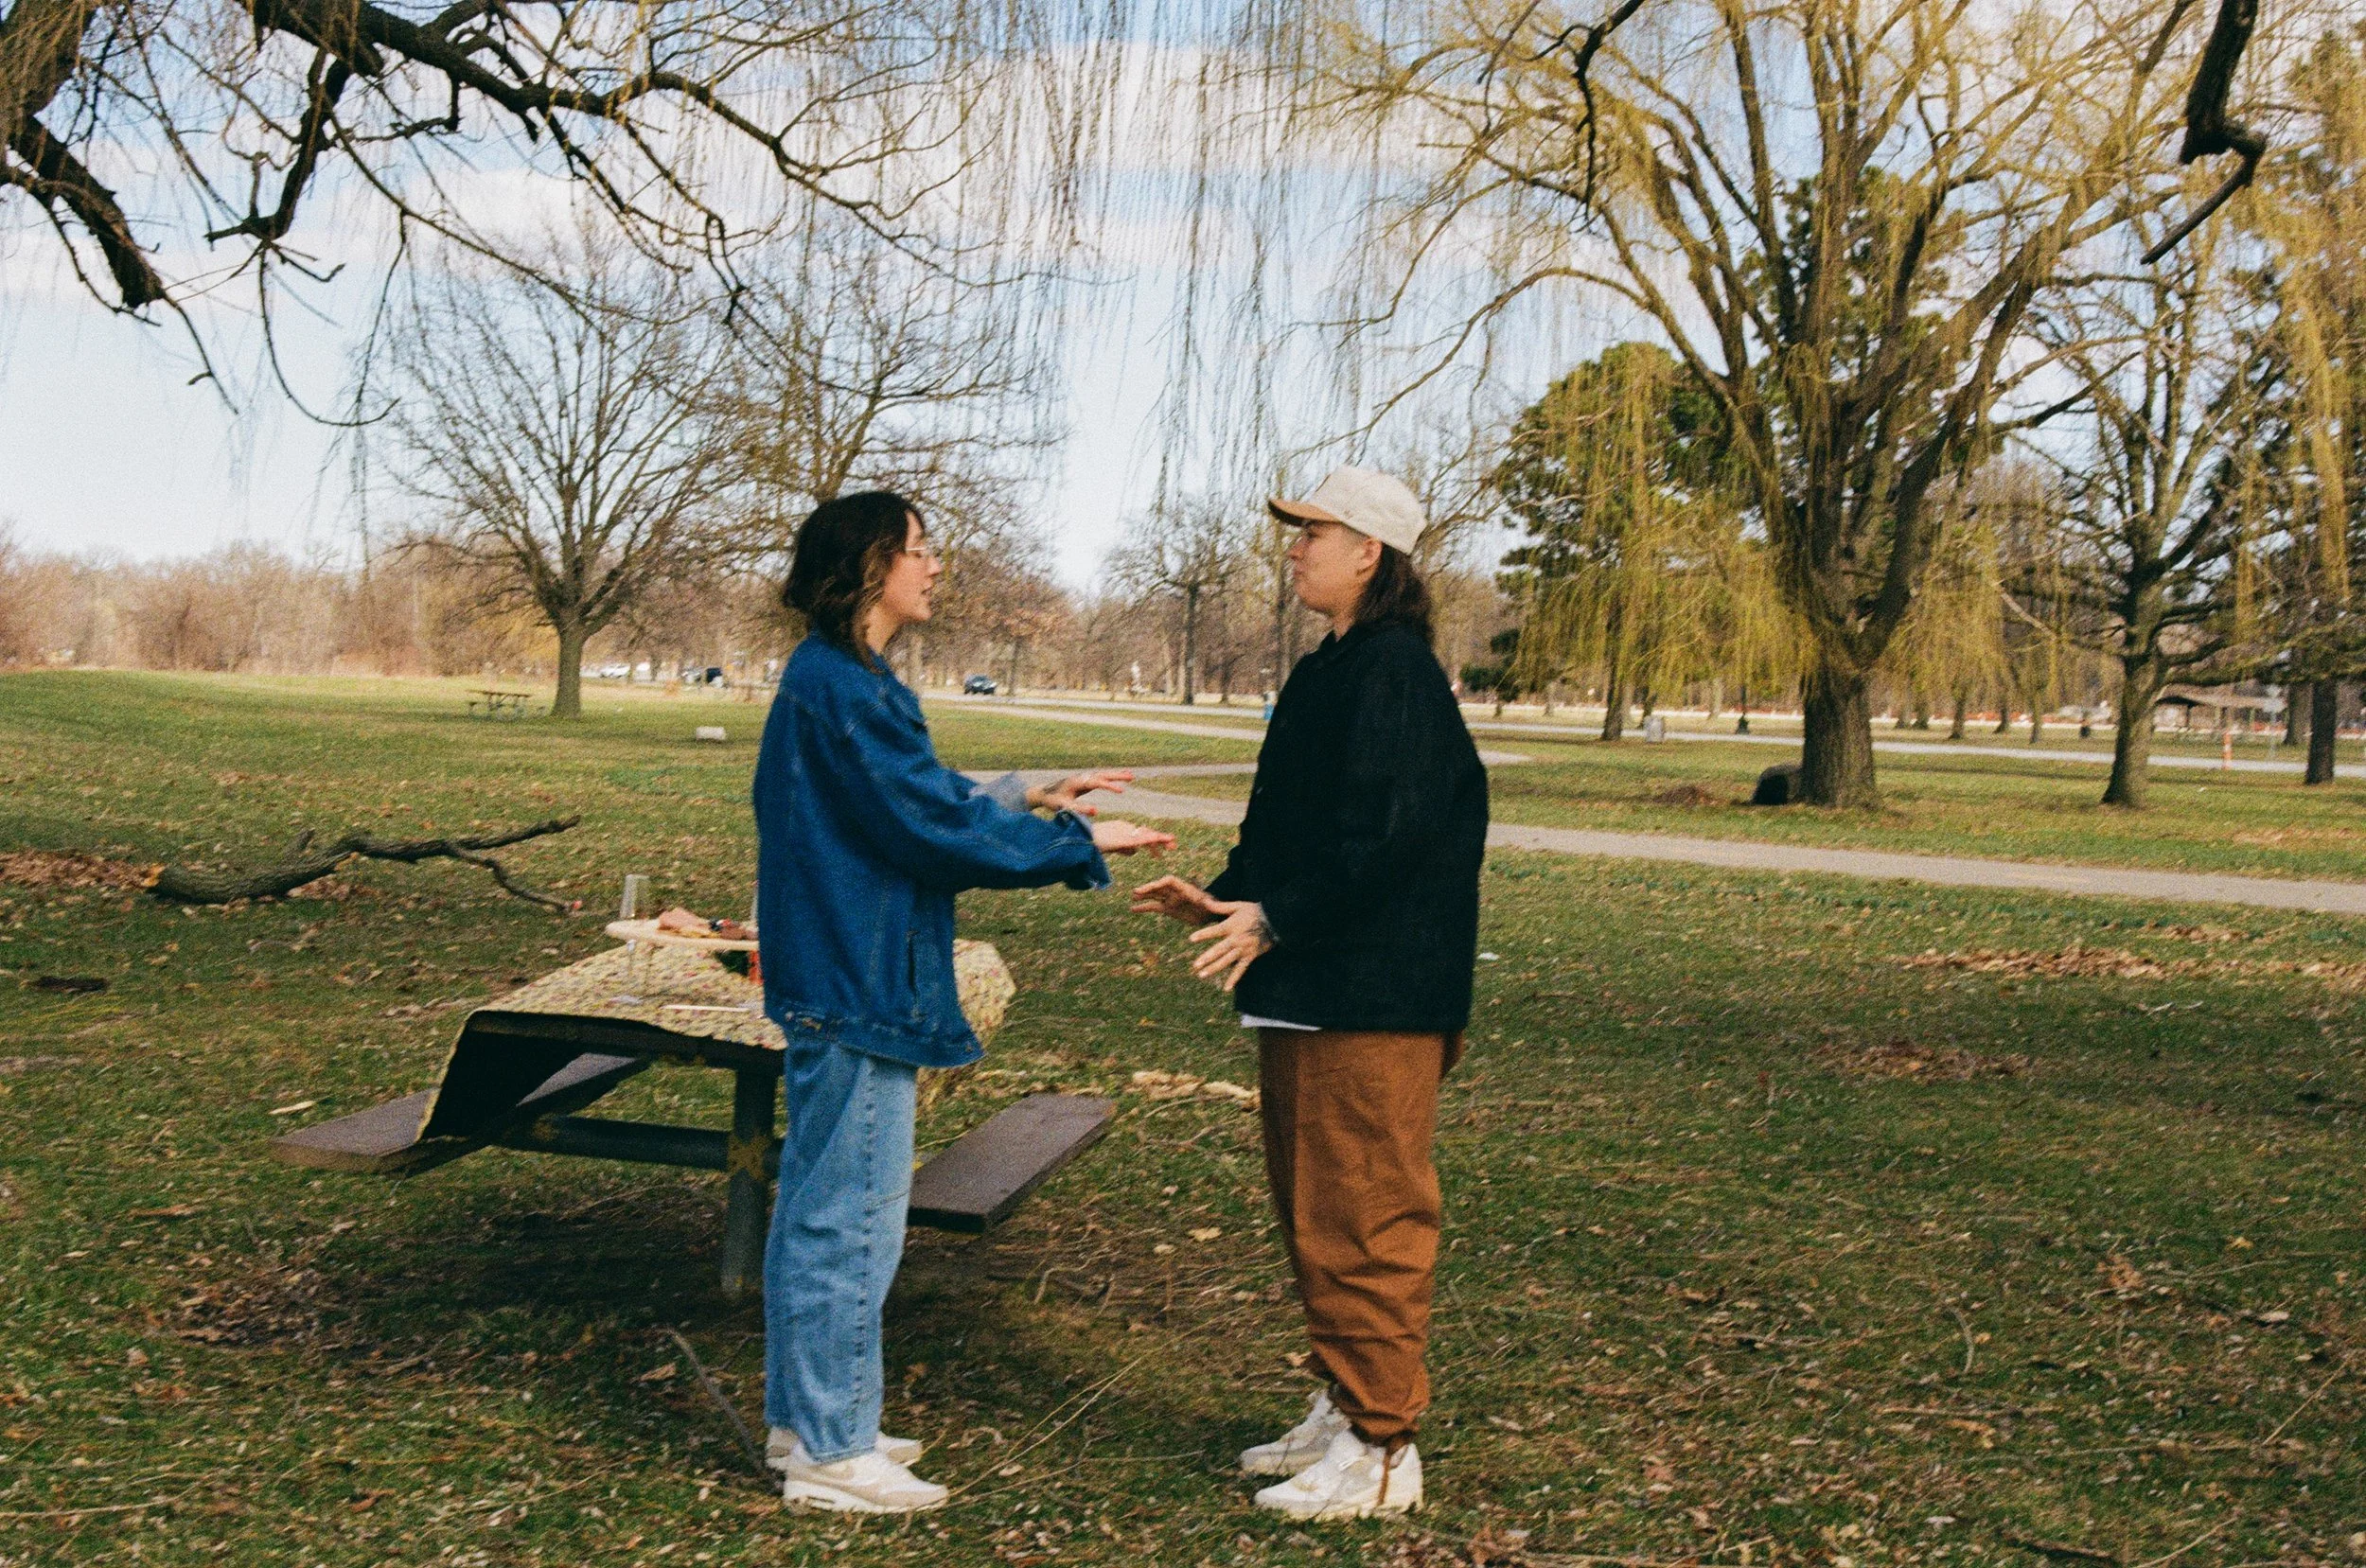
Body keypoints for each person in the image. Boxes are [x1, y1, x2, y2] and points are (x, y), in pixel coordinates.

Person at [753, 489, 1173, 1514]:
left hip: (853, 975)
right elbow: (925, 826)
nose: (934, 566)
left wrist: (1035, 792)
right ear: (866, 567)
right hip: (856, 982)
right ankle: (829, 1448)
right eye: (918, 550)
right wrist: (1075, 842)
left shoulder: (848, 680)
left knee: (837, 1210)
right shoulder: (838, 685)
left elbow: (919, 792)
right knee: (848, 1220)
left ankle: (813, 1417)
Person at [1132, 467, 1488, 1522]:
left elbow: (1385, 837)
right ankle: (1347, 1399)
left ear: (1369, 551)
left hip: (1371, 995)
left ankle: (1383, 1447)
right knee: (1316, 1206)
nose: (1293, 550)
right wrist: (1230, 900)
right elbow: (1291, 824)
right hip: (1314, 987)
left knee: (1366, 1212)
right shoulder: (1333, 668)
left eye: (1311, 535)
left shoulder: (1393, 673)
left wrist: (1277, 917)